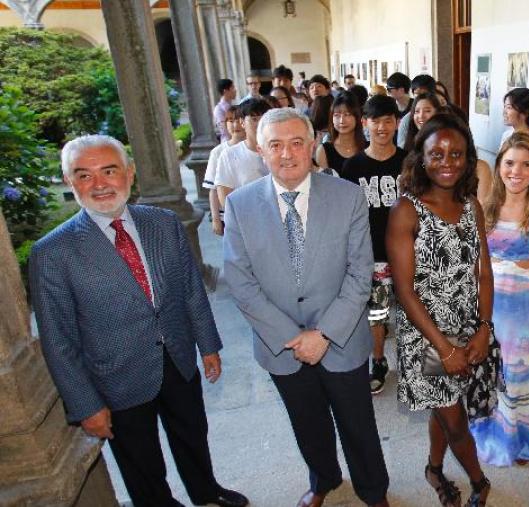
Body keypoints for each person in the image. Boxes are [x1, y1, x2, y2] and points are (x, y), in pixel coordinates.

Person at [30, 134, 248, 507]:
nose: (99, 184)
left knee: (192, 433)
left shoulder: (162, 223)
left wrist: (208, 346)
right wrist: (85, 405)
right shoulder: (52, 252)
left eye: (109, 170)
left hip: (177, 358)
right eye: (84, 175)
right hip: (116, 378)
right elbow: (58, 339)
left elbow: (191, 290)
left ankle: (205, 490)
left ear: (129, 173)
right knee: (140, 459)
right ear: (69, 182)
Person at [222, 108, 390, 507]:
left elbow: (359, 270)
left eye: (297, 143)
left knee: (358, 424)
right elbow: (240, 283)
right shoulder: (240, 206)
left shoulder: (347, 196)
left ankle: (373, 490)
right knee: (307, 422)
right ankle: (324, 480)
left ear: (313, 145)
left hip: (342, 338)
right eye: (275, 145)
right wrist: (292, 338)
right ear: (260, 151)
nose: (287, 154)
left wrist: (325, 333)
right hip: (281, 345)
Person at [387, 113, 499, 507]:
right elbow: (404, 290)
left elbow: (483, 272)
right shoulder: (407, 210)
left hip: (468, 328)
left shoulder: (472, 206)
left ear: (468, 159)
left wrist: (484, 327)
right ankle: (480, 481)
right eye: (437, 154)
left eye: (456, 154)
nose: (447, 162)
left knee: (444, 406)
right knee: (455, 420)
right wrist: (445, 349)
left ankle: (434, 469)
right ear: (421, 158)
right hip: (427, 335)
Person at [469, 132, 529, 467]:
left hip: (527, 314)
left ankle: (522, 440)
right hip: (490, 308)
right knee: (492, 375)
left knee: (520, 378)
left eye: (527, 164)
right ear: (499, 166)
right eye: (510, 163)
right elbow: (476, 265)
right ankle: (495, 434)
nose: (517, 171)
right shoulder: (486, 207)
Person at [341, 94, 404, 395]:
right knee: (376, 314)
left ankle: (412, 361)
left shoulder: (410, 163)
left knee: (411, 312)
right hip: (371, 256)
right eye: (376, 121)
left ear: (397, 123)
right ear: (365, 123)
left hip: (407, 255)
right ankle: (378, 361)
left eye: (388, 121)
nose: (382, 127)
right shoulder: (352, 168)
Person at [214, 98, 272, 213]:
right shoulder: (229, 155)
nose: (260, 124)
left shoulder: (279, 150)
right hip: (248, 217)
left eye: (264, 119)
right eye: (254, 119)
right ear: (242, 122)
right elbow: (225, 196)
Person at [203, 105, 245, 236]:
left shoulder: (257, 148)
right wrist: (215, 219)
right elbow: (213, 189)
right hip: (227, 215)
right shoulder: (218, 152)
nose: (235, 125)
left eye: (239, 120)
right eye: (230, 121)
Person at [315, 91, 366, 176]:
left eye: (347, 114)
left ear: (357, 117)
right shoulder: (324, 150)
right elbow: (323, 185)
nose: (342, 121)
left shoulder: (368, 147)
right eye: (337, 115)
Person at [397, 74, 437, 149]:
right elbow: (402, 147)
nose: (421, 116)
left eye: (427, 111)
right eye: (417, 94)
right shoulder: (407, 120)